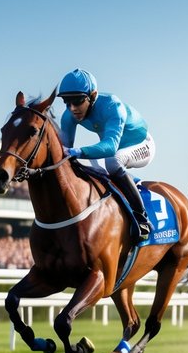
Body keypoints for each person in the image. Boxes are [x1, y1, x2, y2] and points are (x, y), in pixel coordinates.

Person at [56, 69, 153, 240]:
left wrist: (77, 151)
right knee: (86, 169)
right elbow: (62, 152)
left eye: (78, 101)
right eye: (67, 102)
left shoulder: (112, 106)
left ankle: (142, 217)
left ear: (92, 95)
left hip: (141, 144)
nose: (72, 108)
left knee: (113, 162)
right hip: (112, 148)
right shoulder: (69, 116)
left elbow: (109, 147)